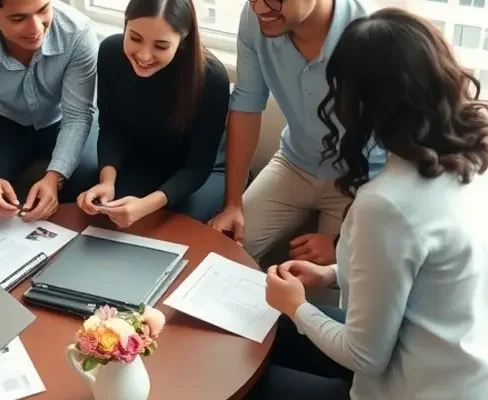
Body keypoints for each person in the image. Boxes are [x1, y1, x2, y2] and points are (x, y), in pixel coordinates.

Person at [249, 9, 488, 399]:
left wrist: (295, 306)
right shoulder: (473, 155)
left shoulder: (386, 204)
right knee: (263, 332)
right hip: (463, 372)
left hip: (408, 387)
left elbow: (363, 355)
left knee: (248, 379)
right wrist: (333, 274)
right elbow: (428, 274)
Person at [208, 0, 385, 265]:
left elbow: (399, 152)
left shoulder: (374, 34)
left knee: (340, 279)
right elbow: (246, 105)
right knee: (219, 252)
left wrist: (342, 244)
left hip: (361, 179)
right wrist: (233, 203)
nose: (258, 8)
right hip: (294, 163)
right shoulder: (257, 17)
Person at [75, 0, 230, 228]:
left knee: (169, 227)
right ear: (125, 26)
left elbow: (197, 168)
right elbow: (110, 127)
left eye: (161, 46)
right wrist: (107, 182)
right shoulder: (110, 52)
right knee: (95, 210)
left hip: (197, 172)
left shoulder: (212, 79)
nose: (144, 56)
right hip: (141, 160)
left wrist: (144, 206)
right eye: (135, 38)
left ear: (183, 40)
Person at [0, 0, 99, 223]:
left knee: (86, 177)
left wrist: (54, 178)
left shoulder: (78, 33)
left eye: (43, 10)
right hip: (5, 119)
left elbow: (77, 116)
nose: (36, 28)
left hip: (64, 118)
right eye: (18, 18)